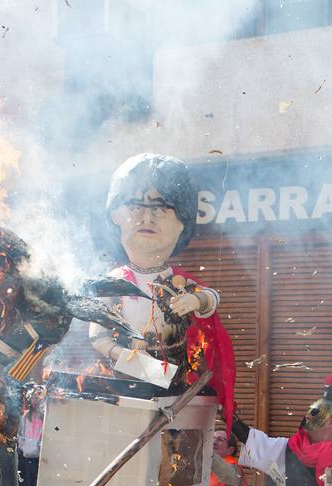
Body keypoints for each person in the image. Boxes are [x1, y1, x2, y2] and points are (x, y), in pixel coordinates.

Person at [89, 152, 236, 423]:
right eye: (136, 206)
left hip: (177, 392)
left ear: (183, 223)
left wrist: (196, 301)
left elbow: (212, 298)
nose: (147, 218)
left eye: (160, 208)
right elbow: (98, 337)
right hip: (125, 391)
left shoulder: (179, 281)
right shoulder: (112, 283)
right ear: (116, 216)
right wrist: (139, 365)